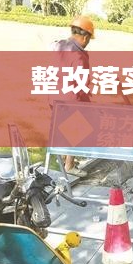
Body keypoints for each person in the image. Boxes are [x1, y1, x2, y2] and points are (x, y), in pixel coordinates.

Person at [50, 15, 95, 177]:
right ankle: (69, 165)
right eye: (89, 39)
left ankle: (63, 158)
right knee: (78, 128)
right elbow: (81, 81)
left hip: (53, 94)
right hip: (71, 97)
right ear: (85, 36)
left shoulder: (59, 45)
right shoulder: (79, 55)